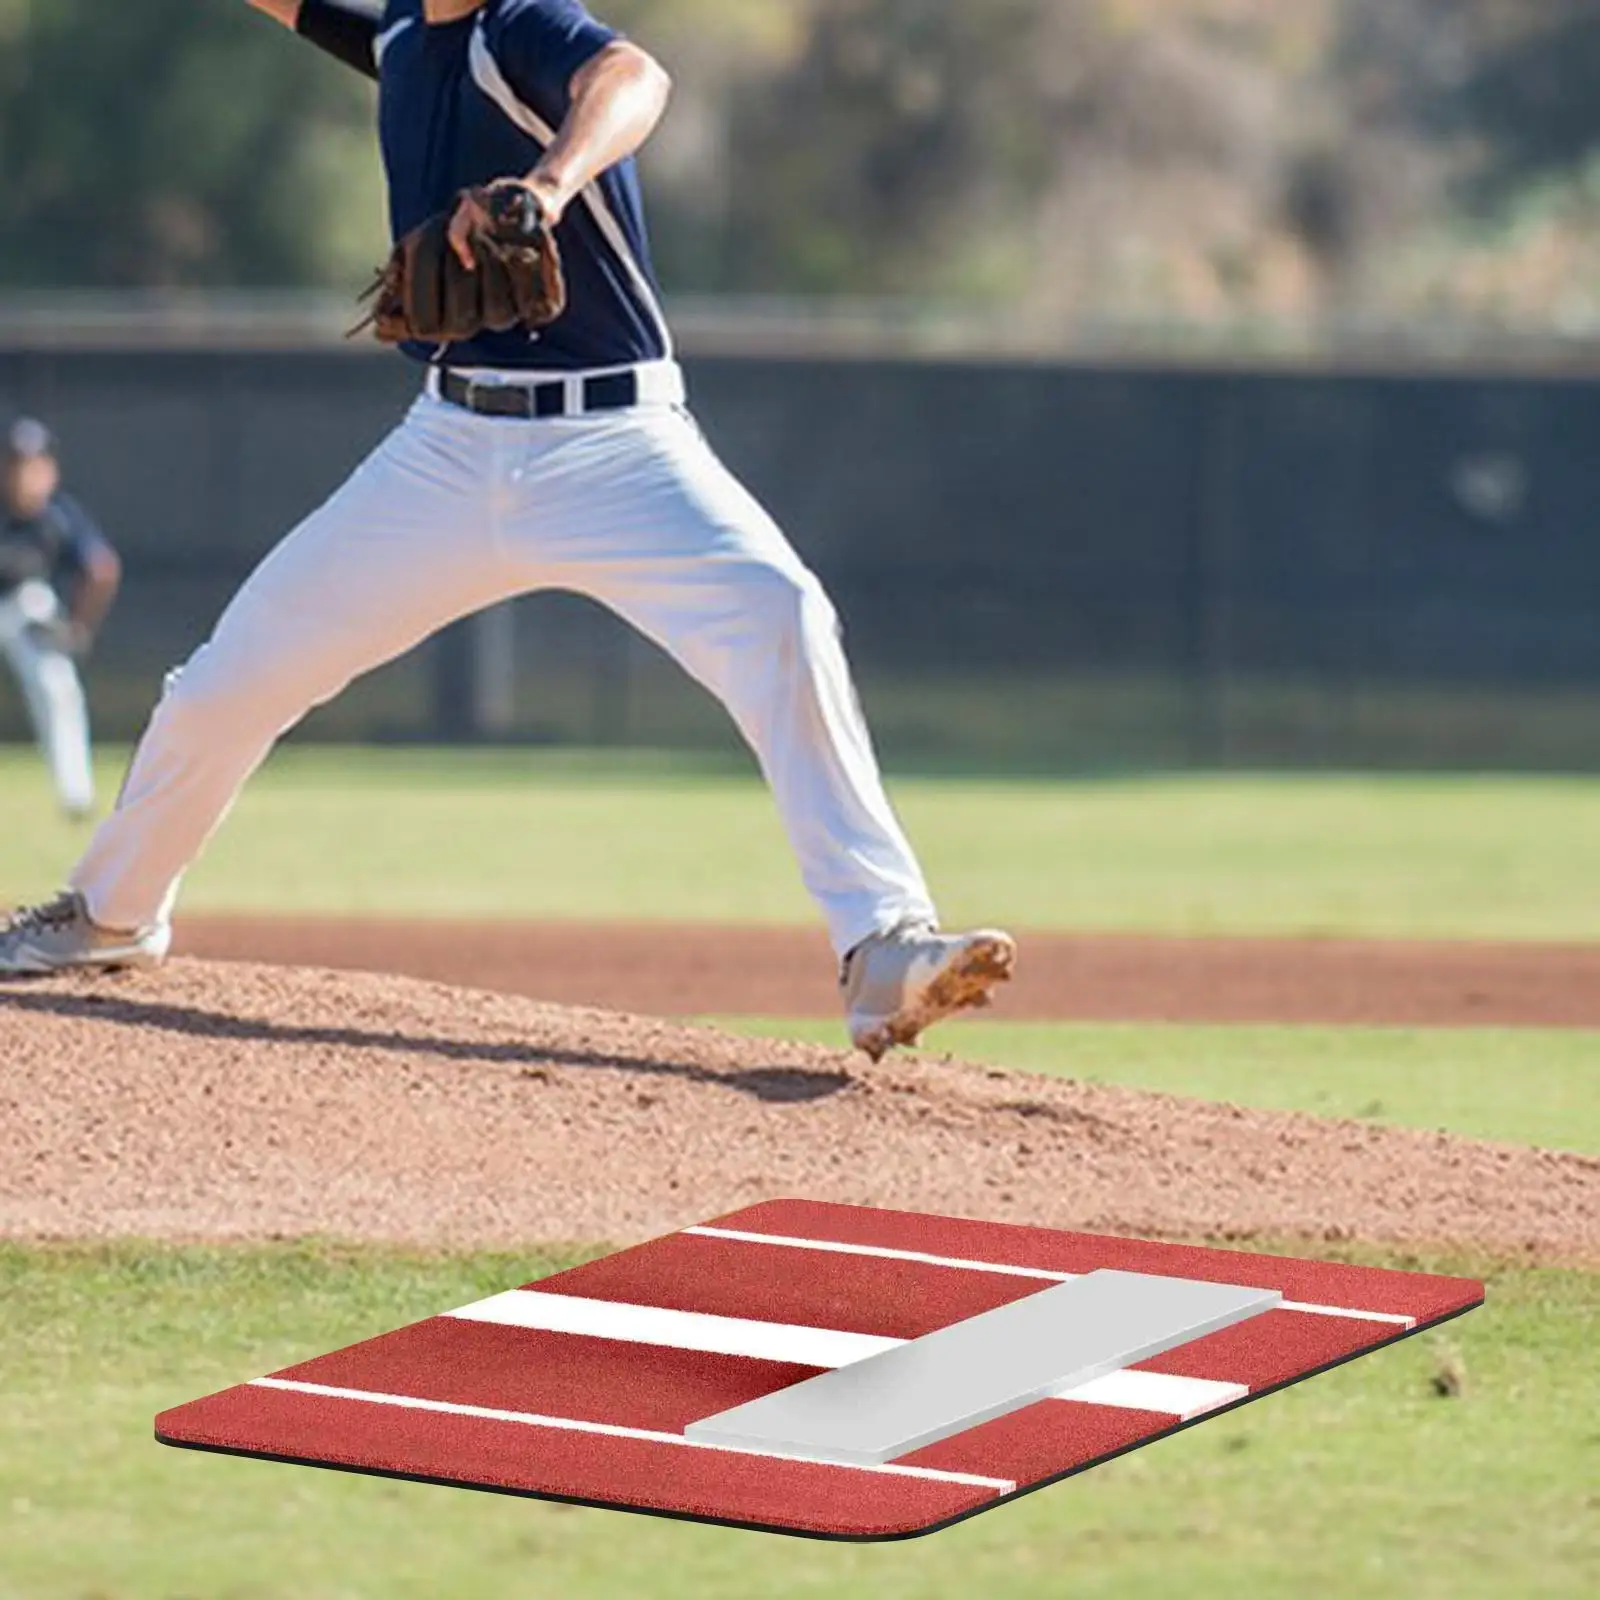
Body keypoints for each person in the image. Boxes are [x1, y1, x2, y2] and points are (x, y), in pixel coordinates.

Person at [0, 0, 1016, 1060]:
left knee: (781, 614)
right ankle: (110, 914)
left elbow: (634, 77)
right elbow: (316, 15)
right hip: (445, 449)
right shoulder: (402, 34)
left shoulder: (522, 26)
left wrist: (546, 184)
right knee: (226, 682)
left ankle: (881, 945)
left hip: (617, 441)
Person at [0, 418, 122, 822]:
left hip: (24, 606)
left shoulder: (59, 515)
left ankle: (75, 796)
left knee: (58, 690)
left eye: (32, 464)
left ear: (49, 470)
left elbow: (102, 568)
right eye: (15, 464)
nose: (23, 475)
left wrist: (77, 628)